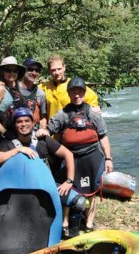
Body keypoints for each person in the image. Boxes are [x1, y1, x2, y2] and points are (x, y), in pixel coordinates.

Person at [0, 107, 85, 236]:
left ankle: (72, 238)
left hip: (45, 186)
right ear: (14, 125)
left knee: (79, 202)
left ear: (33, 123)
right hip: (19, 190)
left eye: (27, 121)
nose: (23, 124)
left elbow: (68, 154)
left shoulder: (42, 140)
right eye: (19, 122)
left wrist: (69, 181)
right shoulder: (8, 143)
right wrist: (18, 150)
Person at [40, 77, 113, 234]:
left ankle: (89, 222)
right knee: (68, 188)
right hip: (71, 157)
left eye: (80, 92)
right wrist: (42, 132)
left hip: (92, 156)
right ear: (69, 94)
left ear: (84, 93)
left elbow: (103, 136)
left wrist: (108, 158)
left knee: (93, 191)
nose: (77, 95)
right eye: (73, 92)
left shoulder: (93, 114)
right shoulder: (63, 114)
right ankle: (65, 221)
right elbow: (50, 130)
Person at [38, 54, 101, 119]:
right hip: (52, 126)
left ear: (64, 68)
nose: (57, 72)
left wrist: (94, 108)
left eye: (59, 69)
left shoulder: (74, 85)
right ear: (49, 70)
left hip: (72, 125)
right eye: (53, 70)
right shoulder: (43, 87)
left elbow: (92, 99)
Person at [0, 56, 27, 138]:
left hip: (16, 133)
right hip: (1, 137)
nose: (12, 73)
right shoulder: (0, 89)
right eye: (8, 70)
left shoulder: (15, 89)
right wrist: (5, 132)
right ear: (2, 72)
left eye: (15, 71)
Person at [19, 58, 48, 130]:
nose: (34, 73)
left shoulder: (40, 94)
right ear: (23, 70)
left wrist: (42, 131)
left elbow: (43, 118)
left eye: (37, 70)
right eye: (30, 69)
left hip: (34, 134)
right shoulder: (13, 89)